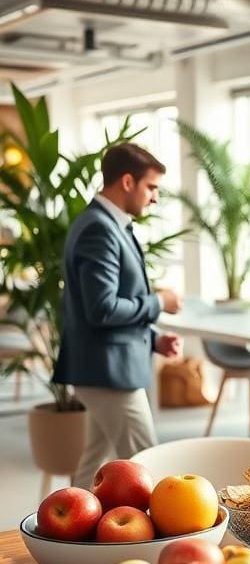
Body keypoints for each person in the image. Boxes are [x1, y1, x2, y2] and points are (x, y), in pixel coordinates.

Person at [54, 143, 183, 490]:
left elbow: (103, 305)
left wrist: (154, 339)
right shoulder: (99, 229)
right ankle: (166, 545)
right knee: (148, 466)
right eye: (151, 187)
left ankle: (69, 535)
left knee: (93, 467)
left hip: (105, 367)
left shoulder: (109, 224)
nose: (154, 197)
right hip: (108, 373)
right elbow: (103, 308)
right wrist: (159, 302)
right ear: (128, 181)